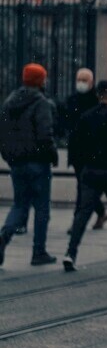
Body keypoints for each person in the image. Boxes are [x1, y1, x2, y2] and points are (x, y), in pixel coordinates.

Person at [63, 81, 107, 272]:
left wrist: (82, 166)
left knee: (83, 213)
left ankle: (71, 253)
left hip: (90, 170)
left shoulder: (86, 116)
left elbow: (76, 143)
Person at [0, 64, 58, 267]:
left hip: (17, 163)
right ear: (41, 80)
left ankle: (4, 235)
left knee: (19, 205)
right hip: (38, 162)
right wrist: (52, 155)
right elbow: (45, 134)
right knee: (42, 209)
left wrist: (9, 156)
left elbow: (4, 134)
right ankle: (38, 251)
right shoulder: (41, 102)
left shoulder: (9, 102)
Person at [63, 69, 107, 231]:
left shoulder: (95, 101)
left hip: (90, 150)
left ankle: (77, 222)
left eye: (84, 80)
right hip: (77, 151)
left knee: (84, 187)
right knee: (84, 186)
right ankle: (101, 212)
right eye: (79, 79)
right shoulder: (72, 100)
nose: (81, 83)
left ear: (91, 82)